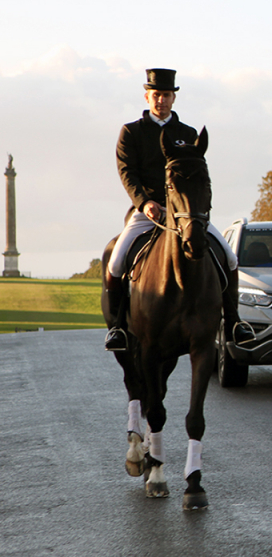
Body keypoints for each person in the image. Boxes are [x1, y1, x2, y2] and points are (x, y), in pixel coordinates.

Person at [103, 68, 253, 351]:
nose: (161, 100)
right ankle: (118, 328)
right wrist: (145, 202)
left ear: (174, 98)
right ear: (148, 96)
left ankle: (234, 322)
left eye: (166, 95)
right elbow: (127, 173)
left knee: (230, 258)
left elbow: (199, 178)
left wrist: (195, 209)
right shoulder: (131, 132)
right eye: (156, 95)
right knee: (116, 262)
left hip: (186, 215)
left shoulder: (188, 134)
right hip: (149, 212)